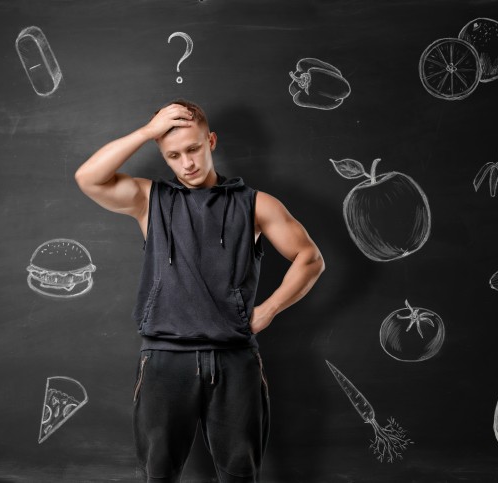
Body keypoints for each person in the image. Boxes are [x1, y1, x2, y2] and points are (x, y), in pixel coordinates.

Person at [75, 100, 324, 482]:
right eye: (173, 155)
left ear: (211, 141)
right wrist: (146, 132)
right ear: (164, 155)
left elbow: (309, 258)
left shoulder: (255, 204)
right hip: (164, 359)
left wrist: (270, 308)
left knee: (240, 475)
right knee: (159, 475)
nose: (187, 163)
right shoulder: (150, 200)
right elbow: (88, 178)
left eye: (193, 149)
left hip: (234, 360)